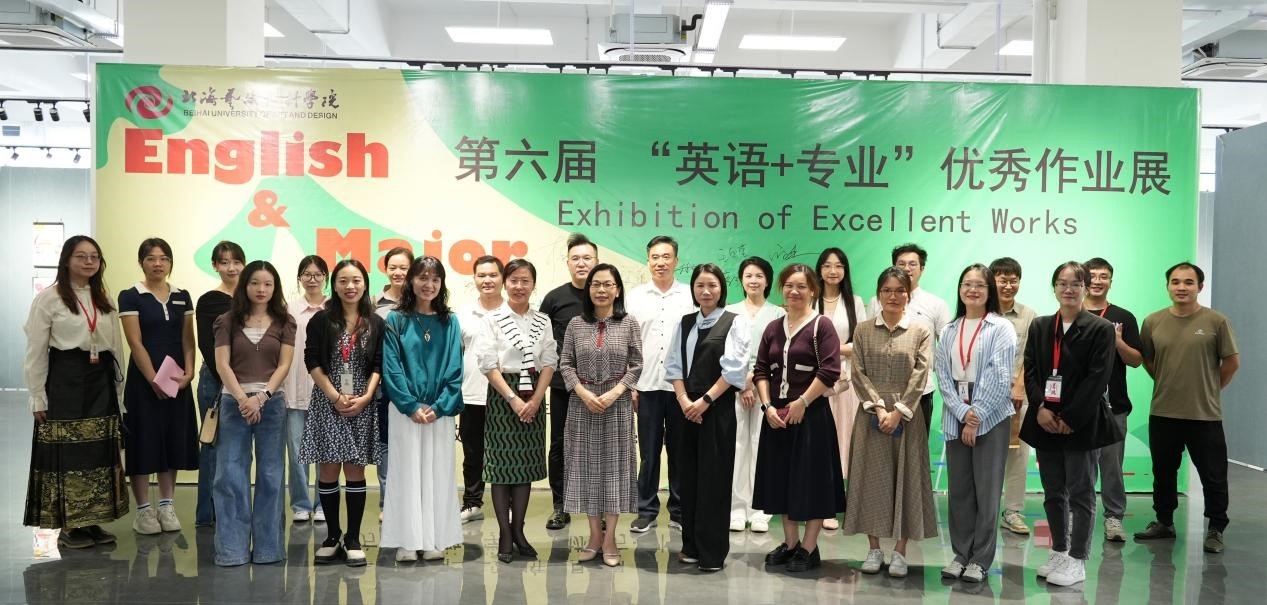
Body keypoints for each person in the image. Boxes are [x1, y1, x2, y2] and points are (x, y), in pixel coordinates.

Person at [23, 235, 128, 549]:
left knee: (98, 452)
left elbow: (116, 348)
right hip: (65, 381)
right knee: (69, 453)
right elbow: (36, 350)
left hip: (100, 381)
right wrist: (37, 395)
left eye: (94, 256)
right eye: (81, 256)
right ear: (67, 260)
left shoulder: (104, 299)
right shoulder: (49, 298)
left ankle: (92, 519)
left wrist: (119, 392)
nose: (89, 262)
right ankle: (70, 525)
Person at [1020, 261, 1121, 587]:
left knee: (1080, 492)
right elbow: (1031, 370)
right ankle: (1059, 551)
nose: (1069, 289)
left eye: (1076, 283)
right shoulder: (1040, 326)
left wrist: (1071, 418)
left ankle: (1077, 560)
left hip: (1081, 424)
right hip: (1045, 421)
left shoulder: (1100, 329)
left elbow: (1097, 378)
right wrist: (1040, 408)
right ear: (1054, 288)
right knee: (1053, 492)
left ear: (1085, 288)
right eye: (1062, 283)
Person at [1134, 262, 1239, 554]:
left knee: (1213, 475)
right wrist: (1166, 381)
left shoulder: (1216, 321)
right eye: (1176, 282)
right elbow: (1148, 359)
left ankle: (1216, 528)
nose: (1182, 287)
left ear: (1199, 287)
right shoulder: (1153, 321)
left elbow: (1232, 362)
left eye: (1189, 282)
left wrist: (1209, 389)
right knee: (1163, 472)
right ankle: (1164, 522)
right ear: (1168, 286)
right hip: (1163, 412)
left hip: (1204, 415)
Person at [752, 264, 844, 573]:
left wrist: (803, 402)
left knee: (813, 482)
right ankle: (790, 543)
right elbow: (761, 370)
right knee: (782, 480)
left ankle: (809, 547)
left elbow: (830, 370)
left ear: (813, 290)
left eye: (802, 286)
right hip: (777, 415)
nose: (794, 291)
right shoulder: (773, 327)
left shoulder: (822, 325)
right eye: (789, 285)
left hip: (812, 414)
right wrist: (767, 407)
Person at [846, 267, 936, 578]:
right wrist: (878, 408)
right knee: (871, 481)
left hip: (907, 416)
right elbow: (858, 372)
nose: (893, 296)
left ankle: (900, 551)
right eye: (887, 290)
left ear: (908, 294)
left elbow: (921, 374)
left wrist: (898, 410)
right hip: (871, 414)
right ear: (879, 294)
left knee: (906, 480)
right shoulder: (862, 330)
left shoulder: (920, 330)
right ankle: (873, 549)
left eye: (900, 290)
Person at [934, 264, 1017, 583]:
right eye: (967, 284)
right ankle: (960, 554)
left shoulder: (1001, 327)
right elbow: (943, 374)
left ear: (989, 290)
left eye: (980, 285)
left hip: (990, 419)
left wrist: (976, 415)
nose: (972, 290)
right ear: (959, 289)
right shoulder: (949, 330)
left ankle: (980, 559)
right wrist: (960, 411)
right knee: (959, 491)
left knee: (987, 491)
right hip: (956, 417)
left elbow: (1000, 376)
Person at [665, 263, 750, 572]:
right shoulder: (685, 322)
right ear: (693, 289)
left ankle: (712, 552)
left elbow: (735, 370)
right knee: (688, 478)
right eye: (700, 285)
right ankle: (690, 545)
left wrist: (704, 402)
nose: (706, 291)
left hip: (717, 410)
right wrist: (685, 401)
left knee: (714, 480)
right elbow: (673, 365)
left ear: (721, 289)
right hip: (686, 409)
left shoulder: (734, 322)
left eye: (712, 285)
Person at [212, 260, 297, 566]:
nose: (261, 289)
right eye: (255, 283)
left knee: (271, 475)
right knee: (230, 474)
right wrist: (242, 399)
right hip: (233, 403)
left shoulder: (285, 321)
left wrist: (261, 397)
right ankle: (231, 550)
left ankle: (268, 549)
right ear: (245, 285)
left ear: (275, 288)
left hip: (271, 404)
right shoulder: (226, 320)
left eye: (268, 284)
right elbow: (222, 364)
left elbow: (284, 365)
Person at [380, 255, 463, 563]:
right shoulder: (396, 320)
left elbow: (455, 367)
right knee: (406, 473)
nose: (429, 284)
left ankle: (433, 540)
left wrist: (439, 407)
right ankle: (407, 540)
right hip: (406, 411)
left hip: (438, 412)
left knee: (438, 473)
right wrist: (410, 404)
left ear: (442, 284)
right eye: (423, 278)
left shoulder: (450, 321)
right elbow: (392, 367)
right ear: (411, 281)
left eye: (435, 279)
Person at [300, 259, 383, 567]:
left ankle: (353, 538)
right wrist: (334, 396)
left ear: (365, 284)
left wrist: (366, 396)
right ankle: (332, 537)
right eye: (344, 280)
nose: (350, 286)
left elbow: (379, 363)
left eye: (356, 280)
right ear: (334, 285)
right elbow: (311, 361)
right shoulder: (321, 320)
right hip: (328, 400)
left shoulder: (375, 322)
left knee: (356, 471)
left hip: (362, 401)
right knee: (328, 470)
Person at [559, 263, 642, 567]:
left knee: (614, 472)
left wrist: (615, 393)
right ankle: (594, 537)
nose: (602, 290)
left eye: (608, 284)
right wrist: (583, 393)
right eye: (596, 284)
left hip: (617, 406)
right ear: (588, 289)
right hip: (582, 405)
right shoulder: (575, 324)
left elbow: (637, 364)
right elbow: (565, 364)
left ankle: (610, 540)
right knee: (585, 471)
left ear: (617, 290)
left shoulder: (629, 323)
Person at [477, 258, 557, 563]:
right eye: (514, 280)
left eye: (525, 281)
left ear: (533, 285)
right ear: (504, 283)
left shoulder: (543, 320)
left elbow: (549, 361)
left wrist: (536, 399)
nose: (519, 286)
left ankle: (519, 531)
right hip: (503, 397)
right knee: (501, 469)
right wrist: (513, 399)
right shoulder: (493, 319)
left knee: (524, 468)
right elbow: (488, 363)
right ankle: (505, 534)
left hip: (534, 392)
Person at [119, 237, 198, 535]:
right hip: (143, 382)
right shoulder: (131, 296)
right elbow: (135, 341)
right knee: (143, 440)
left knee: (172, 439)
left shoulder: (182, 296)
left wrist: (189, 371)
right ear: (141, 262)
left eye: (164, 258)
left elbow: (188, 339)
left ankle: (166, 505)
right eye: (151, 258)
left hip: (176, 380)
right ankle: (143, 510)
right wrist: (153, 378)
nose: (158, 263)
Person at [626, 235, 694, 534]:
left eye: (666, 257)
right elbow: (627, 343)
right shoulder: (635, 297)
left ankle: (679, 510)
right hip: (646, 387)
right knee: (649, 453)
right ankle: (646, 510)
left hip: (681, 389)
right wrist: (630, 385)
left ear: (676, 261)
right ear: (648, 260)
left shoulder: (690, 295)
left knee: (680, 452)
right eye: (655, 257)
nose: (661, 262)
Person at [539, 233, 598, 530]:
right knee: (560, 446)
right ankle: (560, 506)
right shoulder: (554, 299)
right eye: (576, 258)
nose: (581, 263)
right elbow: (540, 341)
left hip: (600, 389)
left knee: (598, 446)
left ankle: (598, 508)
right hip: (563, 386)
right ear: (567, 263)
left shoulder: (606, 295)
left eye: (587, 258)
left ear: (597, 262)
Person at [1082, 257, 1142, 542]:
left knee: (1112, 466)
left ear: (1110, 281)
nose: (1097, 281)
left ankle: (1114, 518)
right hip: (1078, 407)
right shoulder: (1071, 312)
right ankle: (1077, 515)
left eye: (1103, 276)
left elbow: (1136, 360)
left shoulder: (1123, 317)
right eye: (1092, 275)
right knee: (1078, 466)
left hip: (1113, 406)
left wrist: (1117, 342)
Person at [724, 257, 785, 534]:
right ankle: (736, 508)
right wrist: (741, 384)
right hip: (734, 388)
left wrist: (753, 381)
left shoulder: (778, 313)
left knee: (762, 445)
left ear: (767, 280)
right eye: (748, 275)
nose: (753, 280)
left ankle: (761, 510)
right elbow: (726, 353)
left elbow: (778, 354)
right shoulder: (730, 312)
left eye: (759, 276)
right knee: (737, 445)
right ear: (741, 279)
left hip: (767, 388)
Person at [869, 244, 950, 433]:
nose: (907, 268)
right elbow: (868, 344)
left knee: (916, 446)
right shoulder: (876, 302)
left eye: (913, 264)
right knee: (882, 448)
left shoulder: (936, 304)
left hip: (921, 390)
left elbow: (946, 349)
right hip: (882, 392)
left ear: (922, 269)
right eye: (901, 264)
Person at [814, 247, 867, 531]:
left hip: (846, 383)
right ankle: (819, 504)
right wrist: (835, 350)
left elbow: (860, 342)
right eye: (827, 265)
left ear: (845, 270)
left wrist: (829, 350)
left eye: (838, 266)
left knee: (844, 442)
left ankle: (839, 504)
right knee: (819, 442)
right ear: (819, 270)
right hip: (815, 382)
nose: (832, 271)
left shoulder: (855, 302)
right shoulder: (810, 298)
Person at [194, 240, 244, 527]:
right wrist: (229, 381)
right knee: (213, 446)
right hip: (215, 383)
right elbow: (206, 345)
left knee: (237, 451)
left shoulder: (253, 298)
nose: (231, 267)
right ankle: (208, 513)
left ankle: (232, 510)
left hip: (246, 384)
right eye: (224, 262)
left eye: (236, 261)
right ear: (215, 266)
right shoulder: (209, 300)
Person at [990, 257, 1038, 537]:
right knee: (985, 453)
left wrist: (1019, 387)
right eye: (1002, 280)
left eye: (1013, 280)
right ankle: (985, 510)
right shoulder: (982, 312)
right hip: (985, 396)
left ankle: (1013, 512)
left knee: (1018, 455)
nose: (1008, 285)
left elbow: (1031, 356)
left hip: (1018, 396)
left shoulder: (1029, 315)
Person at [458, 255, 505, 523]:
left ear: (502, 278)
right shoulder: (463, 314)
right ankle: (472, 503)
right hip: (471, 394)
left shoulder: (513, 311)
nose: (487, 280)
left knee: (506, 453)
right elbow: (455, 354)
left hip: (506, 396)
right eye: (481, 275)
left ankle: (508, 504)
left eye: (493, 275)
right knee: (473, 454)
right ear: (474, 279)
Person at [283, 255, 328, 524]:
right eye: (307, 274)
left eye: (318, 274)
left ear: (325, 277)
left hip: (326, 391)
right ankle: (300, 504)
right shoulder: (288, 310)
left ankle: (323, 503)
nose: (312, 279)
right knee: (297, 452)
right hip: (294, 389)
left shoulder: (333, 308)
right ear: (299, 278)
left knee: (325, 451)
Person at [374, 246, 414, 515]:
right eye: (393, 267)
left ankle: (410, 503)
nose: (398, 272)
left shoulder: (420, 300)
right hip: (384, 385)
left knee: (411, 444)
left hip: (414, 385)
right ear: (386, 269)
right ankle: (387, 504)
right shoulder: (373, 303)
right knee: (386, 443)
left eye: (404, 268)